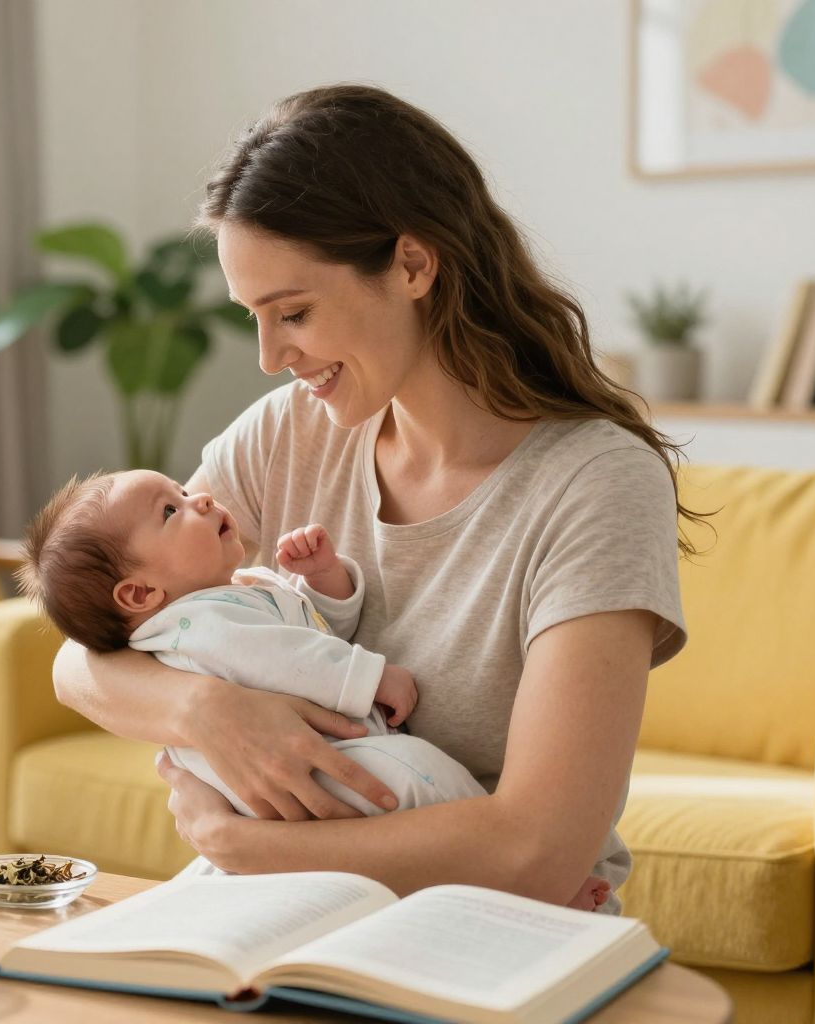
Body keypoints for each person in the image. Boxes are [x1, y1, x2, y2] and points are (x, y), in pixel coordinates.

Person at [51, 83, 705, 915]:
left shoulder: (594, 485)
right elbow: (82, 657)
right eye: (255, 318)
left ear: (413, 265)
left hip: (500, 924)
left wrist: (245, 848)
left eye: (293, 312)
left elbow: (537, 854)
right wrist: (208, 711)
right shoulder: (289, 431)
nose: (269, 357)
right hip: (305, 915)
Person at [17, 467, 613, 910]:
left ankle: (528, 885)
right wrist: (372, 677)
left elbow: (308, 633)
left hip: (299, 784)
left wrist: (324, 582)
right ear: (140, 594)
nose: (199, 497)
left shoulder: (235, 589)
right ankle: (532, 895)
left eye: (180, 488)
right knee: (419, 774)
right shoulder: (199, 623)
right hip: (315, 769)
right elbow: (291, 660)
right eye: (171, 510)